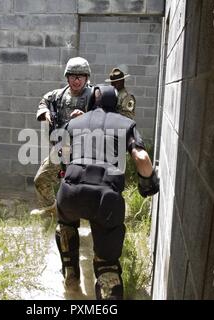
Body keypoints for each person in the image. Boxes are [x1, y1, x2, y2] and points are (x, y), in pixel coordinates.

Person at [55, 85, 159, 300]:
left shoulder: (73, 123)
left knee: (66, 226)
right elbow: (142, 159)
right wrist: (147, 184)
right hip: (105, 196)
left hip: (70, 190)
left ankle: (70, 271)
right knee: (107, 266)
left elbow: (61, 155)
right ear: (116, 104)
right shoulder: (126, 123)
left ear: (91, 102)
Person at [30, 57, 93, 217]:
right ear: (67, 77)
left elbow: (105, 117)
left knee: (84, 190)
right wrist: (44, 112)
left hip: (86, 154)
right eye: (73, 76)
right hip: (62, 150)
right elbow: (44, 101)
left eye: (80, 76)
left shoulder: (94, 97)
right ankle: (52, 211)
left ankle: (89, 224)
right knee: (41, 180)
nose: (76, 80)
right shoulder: (58, 95)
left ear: (86, 78)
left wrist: (86, 117)